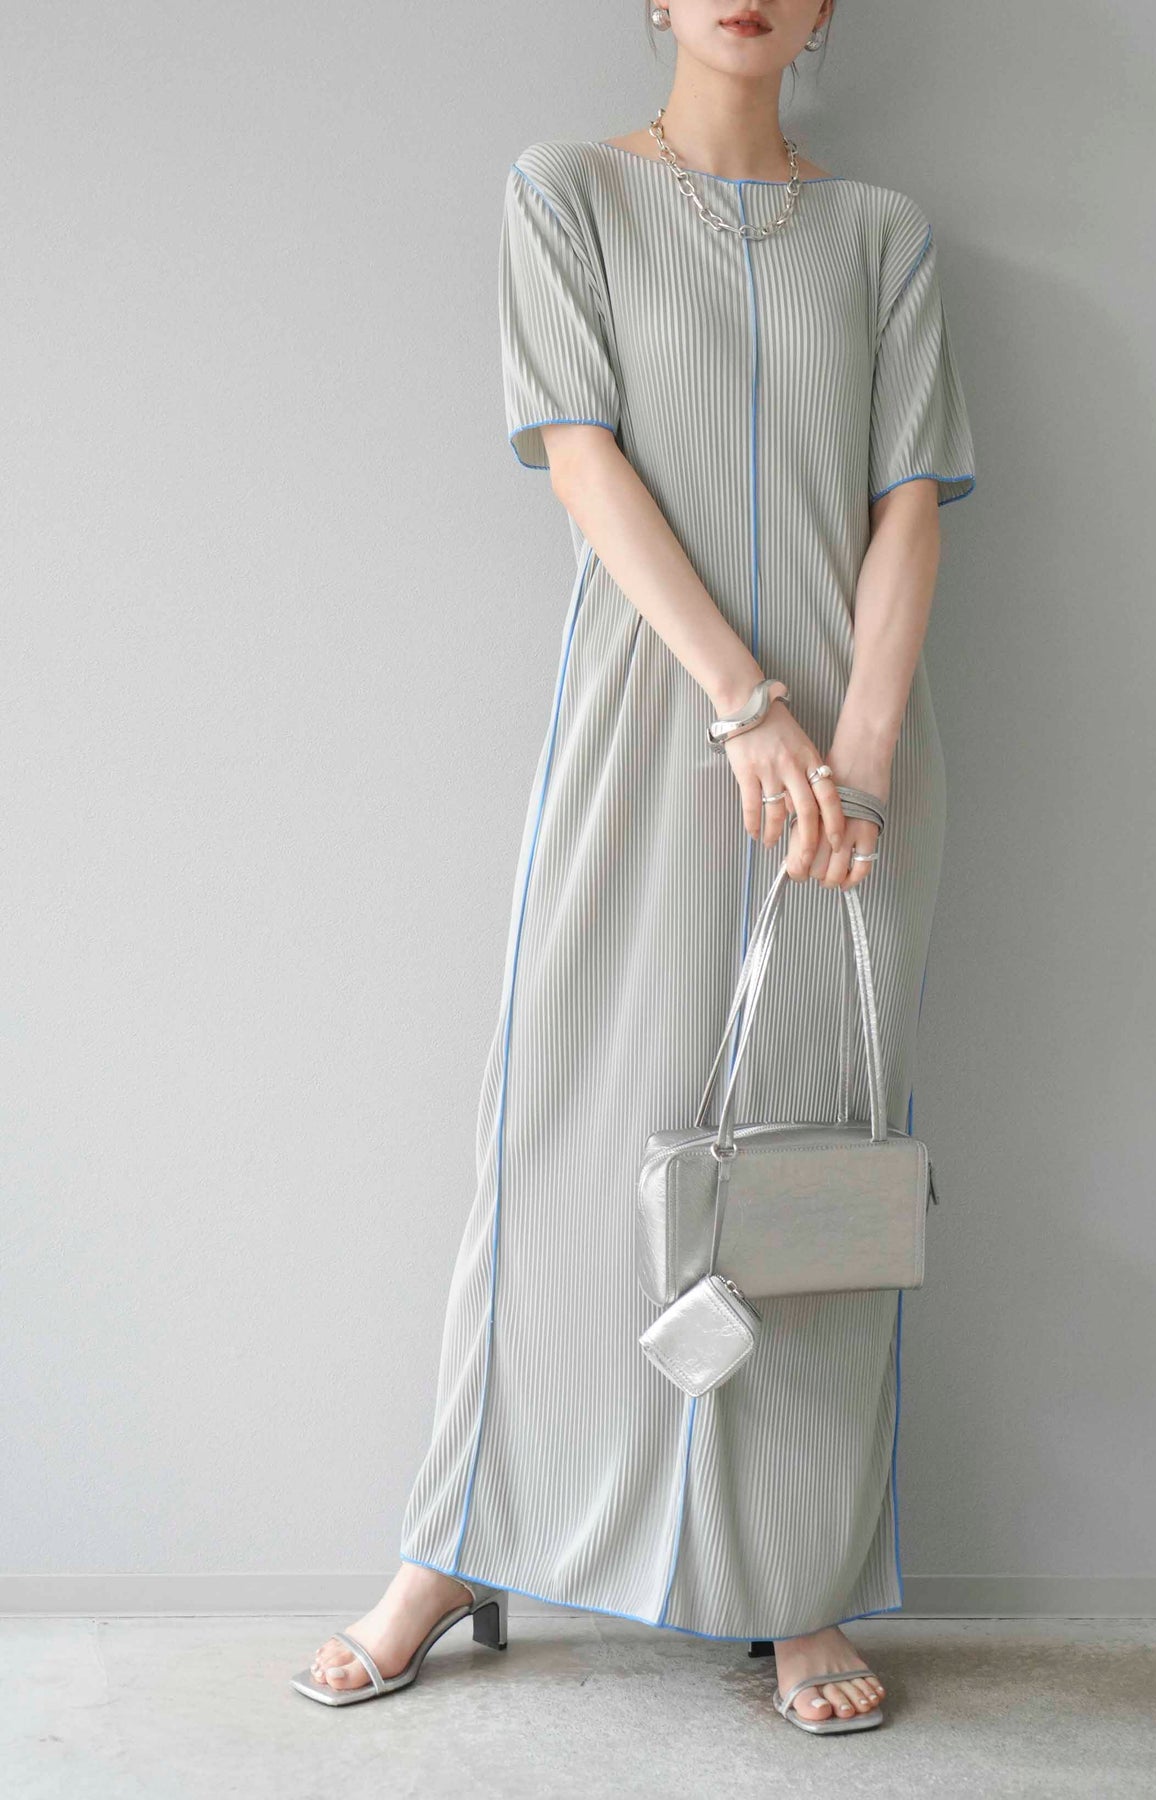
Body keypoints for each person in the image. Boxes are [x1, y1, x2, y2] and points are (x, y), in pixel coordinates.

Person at [293, 0, 975, 1734]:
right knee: (562, 1144)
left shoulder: (881, 234)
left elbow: (908, 498)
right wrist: (744, 705)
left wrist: (856, 752)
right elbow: (580, 461)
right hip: (653, 728)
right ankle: (458, 1545)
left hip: (847, 779)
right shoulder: (565, 194)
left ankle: (794, 1585)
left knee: (808, 1172)